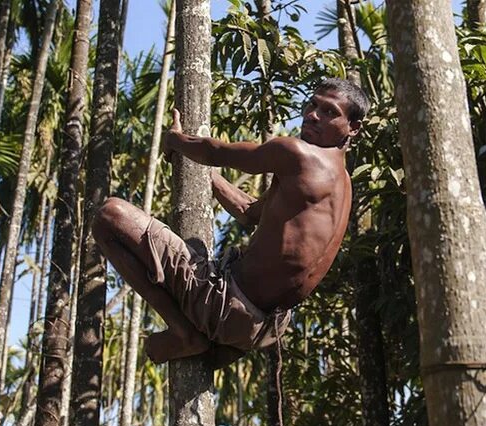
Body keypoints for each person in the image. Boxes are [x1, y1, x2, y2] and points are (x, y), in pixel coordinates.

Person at [91, 78, 369, 364]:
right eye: (312, 104)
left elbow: (215, 152)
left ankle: (184, 333)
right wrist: (208, 178)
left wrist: (175, 140)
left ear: (354, 128)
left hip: (223, 304)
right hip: (261, 330)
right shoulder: (341, 185)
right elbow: (248, 211)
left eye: (329, 112)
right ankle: (213, 338)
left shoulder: (298, 154)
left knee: (109, 215)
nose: (312, 115)